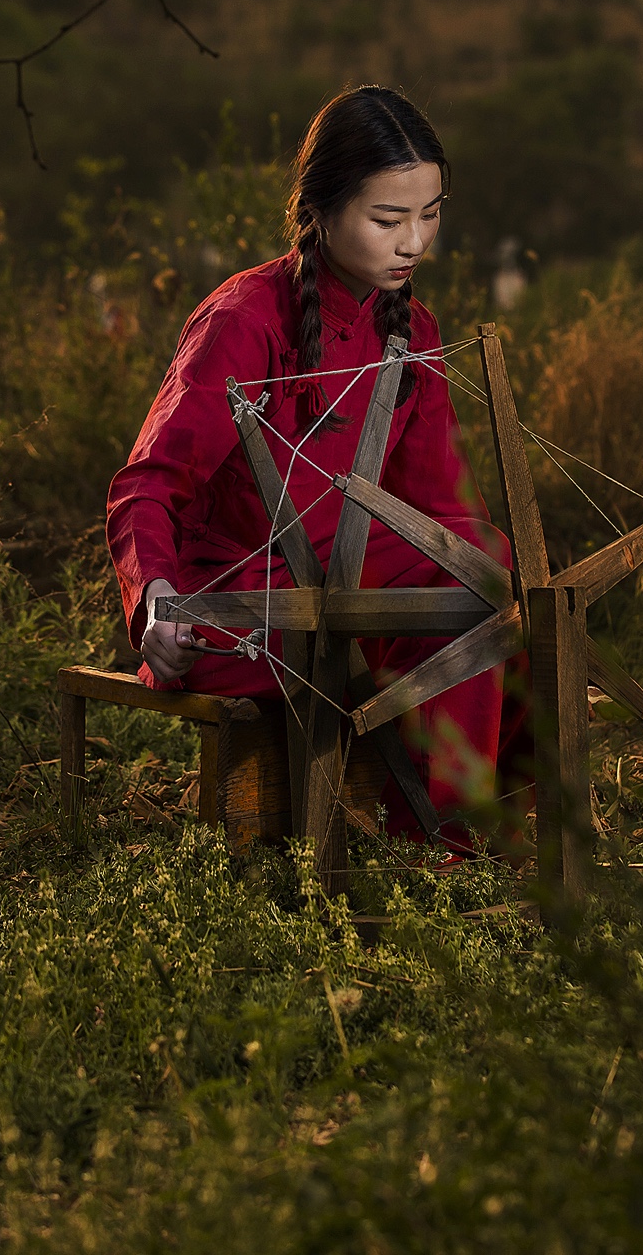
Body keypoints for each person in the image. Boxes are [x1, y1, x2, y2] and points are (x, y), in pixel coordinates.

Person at [105, 85, 522, 832]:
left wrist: (478, 574)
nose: (415, 242)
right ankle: (439, 855)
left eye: (430, 214)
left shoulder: (413, 328)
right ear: (319, 210)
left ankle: (454, 836)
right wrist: (156, 602)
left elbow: (442, 508)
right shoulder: (243, 317)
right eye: (389, 219)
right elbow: (148, 483)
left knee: (492, 582)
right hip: (237, 605)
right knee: (473, 603)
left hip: (350, 590)